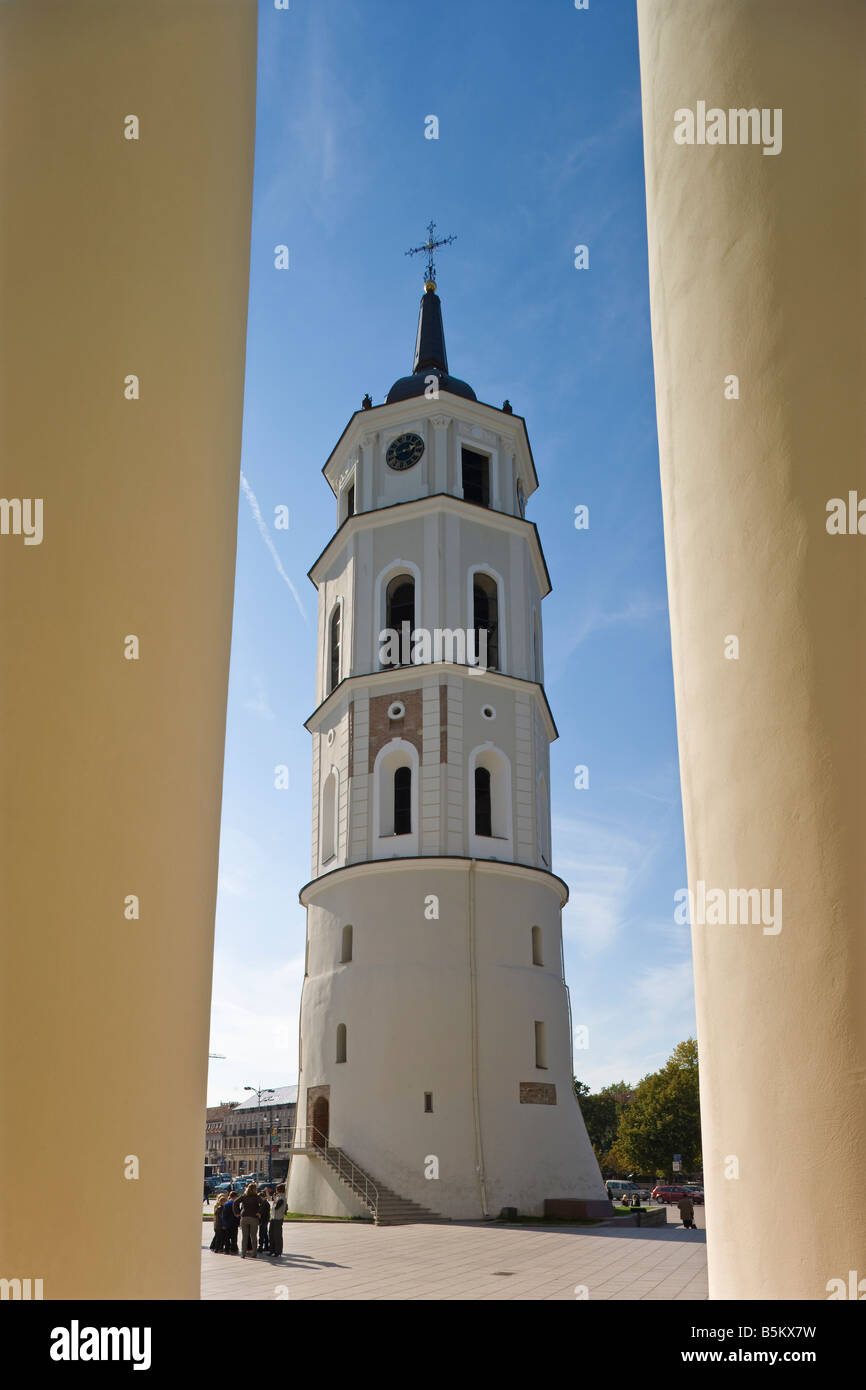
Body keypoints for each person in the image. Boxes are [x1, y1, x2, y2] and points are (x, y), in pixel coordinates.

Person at [237, 1182, 262, 1258]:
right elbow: (263, 1204)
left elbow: (235, 1202)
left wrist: (237, 1212)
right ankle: (254, 1253)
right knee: (253, 1236)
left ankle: (243, 1254)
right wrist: (259, 1212)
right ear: (255, 1189)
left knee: (244, 1237)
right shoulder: (256, 1197)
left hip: (244, 1217)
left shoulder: (244, 1196)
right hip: (253, 1217)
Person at [269, 1183, 287, 1259]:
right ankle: (272, 1250)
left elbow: (276, 1207)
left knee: (277, 1235)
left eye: (276, 1189)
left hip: (278, 1218)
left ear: (279, 1190)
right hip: (273, 1217)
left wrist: (275, 1200)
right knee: (271, 1234)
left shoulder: (282, 1198)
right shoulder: (278, 1197)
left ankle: (278, 1251)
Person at [221, 1188, 240, 1254]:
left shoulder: (226, 1204)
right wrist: (239, 1222)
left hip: (227, 1223)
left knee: (227, 1237)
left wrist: (223, 1224)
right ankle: (233, 1249)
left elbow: (224, 1215)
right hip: (234, 1223)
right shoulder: (236, 1204)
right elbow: (237, 1214)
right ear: (235, 1196)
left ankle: (227, 1249)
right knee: (234, 1237)